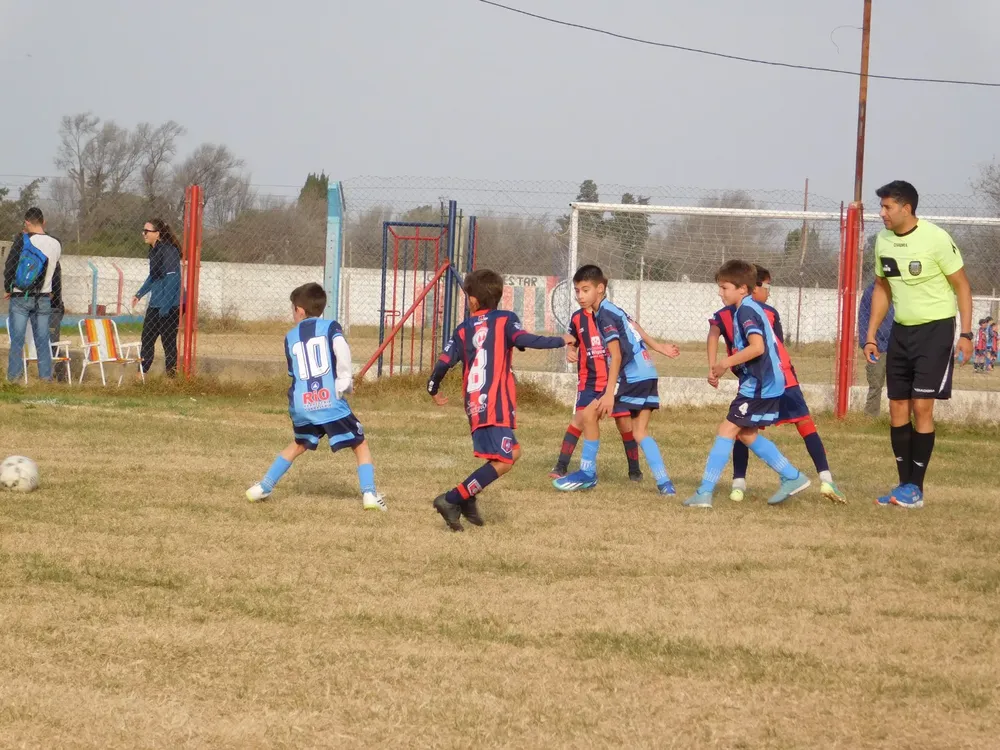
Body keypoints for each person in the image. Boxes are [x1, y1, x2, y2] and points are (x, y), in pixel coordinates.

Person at [427, 269, 573, 531]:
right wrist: (561, 340)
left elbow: (443, 363)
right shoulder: (505, 320)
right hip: (494, 404)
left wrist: (433, 388)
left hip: (476, 405)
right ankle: (452, 498)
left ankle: (468, 496)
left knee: (513, 453)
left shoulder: (462, 330)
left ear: (472, 301)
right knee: (504, 460)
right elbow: (525, 339)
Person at [863, 180, 973, 509]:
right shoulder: (883, 241)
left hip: (936, 330)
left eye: (887, 207)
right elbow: (882, 289)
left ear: (906, 208)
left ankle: (917, 489)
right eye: (881, 206)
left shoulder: (936, 238)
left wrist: (966, 334)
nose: (881, 213)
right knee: (897, 407)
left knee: (922, 407)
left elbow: (963, 287)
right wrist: (871, 333)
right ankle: (903, 486)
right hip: (901, 331)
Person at [707, 265, 846, 503]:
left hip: (758, 381)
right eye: (767, 286)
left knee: (741, 428)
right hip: (781, 377)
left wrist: (715, 365)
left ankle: (738, 484)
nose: (769, 292)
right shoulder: (765, 312)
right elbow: (776, 347)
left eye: (723, 287)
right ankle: (825, 480)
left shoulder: (728, 313)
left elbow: (715, 335)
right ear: (752, 287)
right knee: (801, 425)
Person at [246, 282, 387, 511]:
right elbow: (342, 350)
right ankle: (370, 494)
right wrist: (344, 381)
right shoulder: (331, 327)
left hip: (302, 403)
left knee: (299, 444)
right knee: (360, 444)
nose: (292, 314)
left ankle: (263, 486)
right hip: (329, 401)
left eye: (293, 309)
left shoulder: (290, 337)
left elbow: (294, 373)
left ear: (300, 310)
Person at [684, 260, 810, 508]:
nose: (721, 293)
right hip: (762, 384)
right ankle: (792, 476)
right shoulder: (748, 308)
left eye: (725, 287)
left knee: (726, 430)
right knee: (746, 434)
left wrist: (724, 363)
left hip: (760, 386)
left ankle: (704, 492)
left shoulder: (746, 311)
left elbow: (757, 347)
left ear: (742, 288)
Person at [553, 265, 679, 492]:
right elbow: (636, 328)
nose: (580, 296)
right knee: (640, 432)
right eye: (577, 291)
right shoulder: (616, 310)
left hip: (631, 376)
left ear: (600, 289)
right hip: (648, 373)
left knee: (589, 414)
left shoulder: (604, 315)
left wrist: (610, 392)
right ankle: (665, 483)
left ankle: (587, 473)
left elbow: (617, 355)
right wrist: (659, 348)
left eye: (585, 290)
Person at [3, 207, 62, 382]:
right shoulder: (56, 243)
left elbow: (10, 266)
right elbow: (56, 272)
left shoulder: (22, 240)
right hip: (44, 297)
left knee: (18, 339)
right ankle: (45, 377)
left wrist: (8, 288)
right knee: (43, 338)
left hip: (21, 296)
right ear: (44, 222)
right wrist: (54, 294)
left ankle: (14, 378)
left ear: (27, 222)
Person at [132, 219, 182, 377]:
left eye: (146, 231)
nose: (143, 234)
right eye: (143, 230)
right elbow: (153, 277)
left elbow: (173, 280)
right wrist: (139, 294)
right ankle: (141, 375)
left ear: (157, 234)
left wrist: (166, 307)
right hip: (154, 305)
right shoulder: (154, 251)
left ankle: (172, 379)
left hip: (169, 307)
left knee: (168, 344)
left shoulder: (169, 251)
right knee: (147, 340)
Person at [858, 279, 895, 415]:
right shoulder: (871, 290)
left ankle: (898, 418)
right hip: (878, 347)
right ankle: (871, 416)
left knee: (900, 386)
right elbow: (863, 317)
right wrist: (866, 342)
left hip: (900, 345)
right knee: (875, 384)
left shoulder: (903, 288)